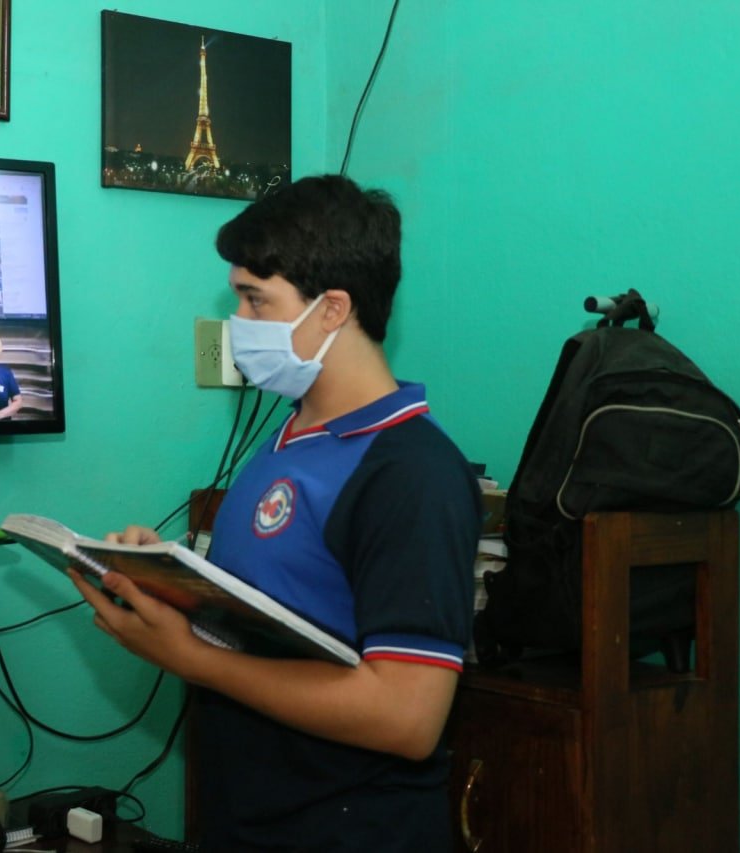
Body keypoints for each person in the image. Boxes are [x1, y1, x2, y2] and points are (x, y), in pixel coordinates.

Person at [70, 176, 482, 852]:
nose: (238, 321)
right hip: (253, 818)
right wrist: (165, 580)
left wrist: (191, 658)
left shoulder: (412, 471)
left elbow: (407, 716)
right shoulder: (290, 437)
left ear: (332, 309)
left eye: (256, 298)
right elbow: (279, 610)